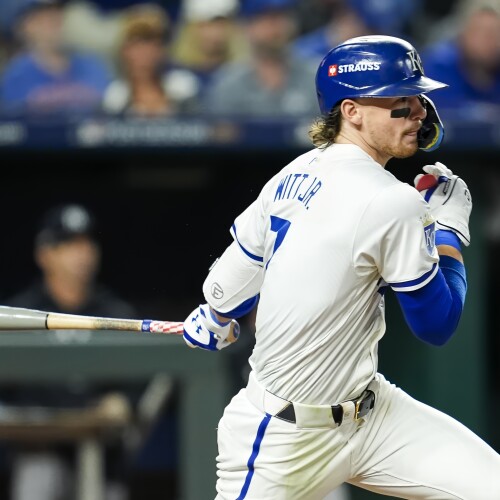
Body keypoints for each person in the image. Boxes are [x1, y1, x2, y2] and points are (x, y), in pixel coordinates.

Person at [182, 34, 500, 499]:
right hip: (283, 438)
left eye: (418, 98)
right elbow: (437, 324)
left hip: (375, 418)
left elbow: (232, 280)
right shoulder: (391, 200)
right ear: (351, 111)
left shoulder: (292, 173)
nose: (419, 112)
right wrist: (449, 232)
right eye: (400, 100)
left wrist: (214, 316)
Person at [3, 203, 138, 500]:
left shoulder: (115, 313)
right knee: (39, 476)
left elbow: (139, 385)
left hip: (102, 455)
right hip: (39, 451)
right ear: (44, 254)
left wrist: (124, 400)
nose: (82, 254)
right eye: (68, 245)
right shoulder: (20, 314)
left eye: (86, 243)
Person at [203, 0, 319, 118]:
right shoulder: (228, 83)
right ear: (246, 26)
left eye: (282, 16)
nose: (276, 26)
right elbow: (222, 128)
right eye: (267, 18)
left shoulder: (316, 77)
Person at [0, 0, 112, 115]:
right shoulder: (16, 75)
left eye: (59, 15)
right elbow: (12, 119)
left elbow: (110, 108)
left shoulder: (92, 65)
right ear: (25, 27)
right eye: (46, 19)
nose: (56, 24)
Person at [102, 3, 201, 116]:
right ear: (124, 50)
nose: (145, 52)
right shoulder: (115, 98)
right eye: (136, 44)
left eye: (153, 44)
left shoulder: (183, 88)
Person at [420, 0, 500, 117]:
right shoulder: (438, 66)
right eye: (480, 32)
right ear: (463, 32)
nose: (487, 41)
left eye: (494, 34)